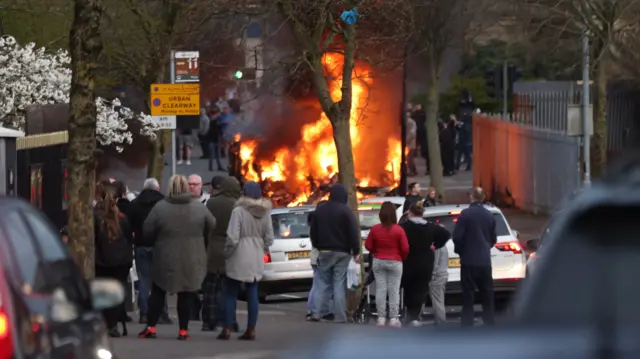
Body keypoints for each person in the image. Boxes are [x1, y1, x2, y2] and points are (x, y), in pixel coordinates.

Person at [138, 175, 216, 340]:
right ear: (187, 187)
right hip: (192, 256)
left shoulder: (160, 208)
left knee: (158, 291)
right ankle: (183, 330)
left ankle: (151, 327)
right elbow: (212, 224)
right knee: (186, 293)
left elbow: (147, 229)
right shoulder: (198, 208)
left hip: (164, 255)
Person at [218, 181, 274, 341]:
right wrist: (261, 250)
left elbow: (232, 237)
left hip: (238, 256)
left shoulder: (238, 211)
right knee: (253, 293)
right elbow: (269, 238)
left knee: (230, 293)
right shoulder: (266, 213)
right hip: (256, 257)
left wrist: (227, 253)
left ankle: (227, 329)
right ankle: (251, 329)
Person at [309, 184, 360, 323]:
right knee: (339, 283)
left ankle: (316, 312)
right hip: (342, 252)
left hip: (324, 251)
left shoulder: (320, 210)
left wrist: (317, 246)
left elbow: (313, 232)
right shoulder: (346, 211)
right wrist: (355, 250)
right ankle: (340, 316)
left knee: (321, 282)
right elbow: (352, 232)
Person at [127, 178, 171, 324]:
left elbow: (129, 226)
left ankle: (144, 313)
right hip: (159, 246)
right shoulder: (164, 203)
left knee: (144, 280)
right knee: (161, 281)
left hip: (141, 246)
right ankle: (162, 313)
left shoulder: (134, 204)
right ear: (157, 188)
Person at [452, 187, 497, 326]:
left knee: (468, 293)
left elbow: (457, 236)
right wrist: (485, 248)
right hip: (484, 260)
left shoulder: (465, 214)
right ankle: (489, 321)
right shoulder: (489, 215)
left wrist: (460, 251)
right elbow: (493, 238)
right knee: (487, 292)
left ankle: (467, 322)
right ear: (483, 198)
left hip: (469, 260)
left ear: (472, 197)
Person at [94, 182, 134, 337]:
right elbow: (128, 239)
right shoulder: (122, 218)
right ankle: (113, 324)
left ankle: (105, 322)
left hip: (102, 261)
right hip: (120, 262)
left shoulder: (94, 216)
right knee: (116, 292)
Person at [400, 203, 450, 327]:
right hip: (425, 264)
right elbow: (446, 234)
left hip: (409, 262)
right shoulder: (431, 227)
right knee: (421, 290)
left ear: (410, 213)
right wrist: (435, 245)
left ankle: (410, 315)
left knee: (409, 289)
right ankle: (415, 316)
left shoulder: (404, 227)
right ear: (422, 214)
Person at [203, 176, 241, 332]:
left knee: (210, 287)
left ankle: (208, 321)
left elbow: (206, 225)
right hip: (230, 250)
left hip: (213, 248)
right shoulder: (237, 205)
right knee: (228, 289)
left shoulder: (212, 202)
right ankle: (229, 320)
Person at [365, 202, 409, 327]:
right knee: (394, 290)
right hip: (395, 261)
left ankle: (381, 318)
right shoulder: (399, 230)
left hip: (379, 260)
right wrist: (401, 257)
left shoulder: (375, 229)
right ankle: (394, 318)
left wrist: (375, 251)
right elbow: (405, 248)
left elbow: (368, 245)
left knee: (380, 289)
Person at [306, 200, 331, 321]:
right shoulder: (318, 224)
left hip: (315, 258)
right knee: (321, 286)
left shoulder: (313, 223)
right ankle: (318, 310)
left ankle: (313, 309)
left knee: (317, 285)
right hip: (319, 257)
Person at [430, 243, 449, 326]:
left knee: (437, 301)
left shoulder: (437, 247)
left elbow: (435, 262)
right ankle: (440, 321)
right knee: (439, 300)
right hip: (443, 274)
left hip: (437, 276)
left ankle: (441, 322)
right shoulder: (443, 245)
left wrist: (432, 275)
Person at [207, 107, 224, 172]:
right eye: (219, 113)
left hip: (216, 139)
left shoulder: (217, 120)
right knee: (212, 154)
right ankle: (210, 167)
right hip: (212, 140)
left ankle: (218, 166)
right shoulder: (213, 120)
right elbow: (213, 129)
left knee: (217, 154)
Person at [406, 112, 418, 176]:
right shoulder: (407, 122)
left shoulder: (411, 123)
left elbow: (412, 133)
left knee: (409, 158)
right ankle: (412, 170)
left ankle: (413, 171)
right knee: (408, 158)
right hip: (408, 144)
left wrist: (406, 140)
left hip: (411, 144)